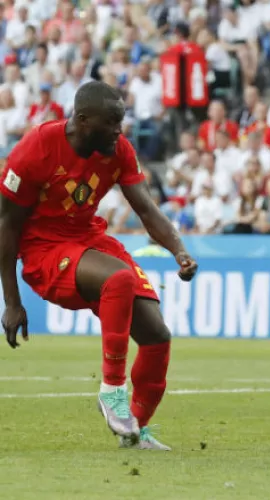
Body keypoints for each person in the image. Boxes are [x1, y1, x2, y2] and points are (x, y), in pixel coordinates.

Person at [0, 81, 199, 450]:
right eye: (111, 122)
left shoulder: (117, 150)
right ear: (82, 119)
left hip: (89, 239)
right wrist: (11, 301)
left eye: (120, 121)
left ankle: (135, 430)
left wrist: (179, 250)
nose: (118, 131)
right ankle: (112, 391)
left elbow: (145, 208)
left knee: (157, 336)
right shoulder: (35, 149)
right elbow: (7, 225)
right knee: (120, 280)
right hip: (45, 251)